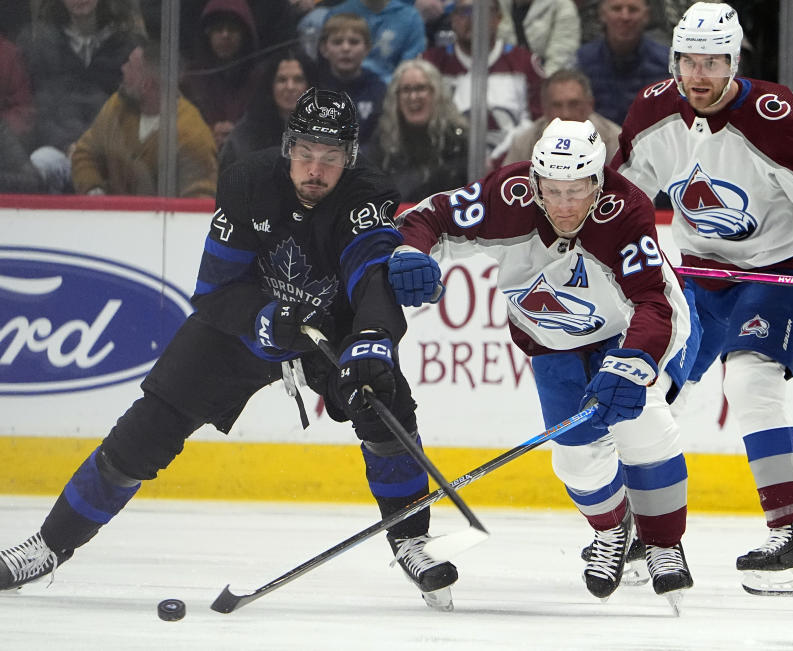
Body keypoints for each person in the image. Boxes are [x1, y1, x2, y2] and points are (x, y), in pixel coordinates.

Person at [0, 88, 460, 612]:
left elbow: (369, 276)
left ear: (349, 157)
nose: (316, 169)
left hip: (330, 327)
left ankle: (410, 540)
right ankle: (50, 544)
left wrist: (373, 341)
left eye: (331, 158)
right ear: (288, 147)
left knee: (382, 399)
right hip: (244, 325)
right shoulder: (246, 181)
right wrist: (264, 321)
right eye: (306, 153)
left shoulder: (368, 193)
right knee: (148, 426)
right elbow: (215, 289)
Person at [613, 2, 793, 597]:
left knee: (751, 387)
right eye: (689, 61)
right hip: (699, 273)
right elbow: (621, 200)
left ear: (734, 62)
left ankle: (792, 535)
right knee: (655, 390)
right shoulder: (654, 110)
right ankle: (646, 528)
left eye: (713, 62)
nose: (699, 75)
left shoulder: (771, 115)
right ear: (674, 59)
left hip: (776, 268)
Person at [387, 118, 698, 609]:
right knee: (575, 458)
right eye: (551, 191)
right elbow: (431, 217)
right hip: (549, 341)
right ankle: (613, 531)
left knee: (646, 429)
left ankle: (663, 545)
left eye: (577, 191)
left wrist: (632, 363)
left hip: (625, 333)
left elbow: (653, 305)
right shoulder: (506, 194)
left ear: (599, 182)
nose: (564, 206)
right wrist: (411, 251)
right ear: (533, 182)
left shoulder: (626, 208)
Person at [70, 41, 218, 197]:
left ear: (146, 85)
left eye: (130, 66)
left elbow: (198, 202)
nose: (123, 68)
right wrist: (93, 190)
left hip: (161, 221)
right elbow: (85, 153)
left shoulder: (192, 136)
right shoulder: (117, 106)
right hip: (110, 218)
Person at [16, 0, 141, 177]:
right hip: (60, 149)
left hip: (110, 153)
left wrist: (99, 148)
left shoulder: (127, 45)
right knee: (40, 161)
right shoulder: (40, 43)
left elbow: (132, 110)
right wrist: (67, 145)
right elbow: (40, 109)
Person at [422, 0, 543, 157]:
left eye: (484, 10)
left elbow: (539, 125)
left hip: (509, 168)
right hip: (446, 168)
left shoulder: (524, 63)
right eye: (465, 11)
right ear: (452, 19)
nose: (474, 18)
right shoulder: (430, 64)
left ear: (498, 18)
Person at [367, 58, 468, 202]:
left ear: (437, 94)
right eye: (406, 90)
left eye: (420, 88)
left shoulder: (459, 141)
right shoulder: (383, 140)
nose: (413, 97)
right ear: (396, 97)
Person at [219, 46, 318, 171]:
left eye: (298, 80)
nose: (290, 87)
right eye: (282, 80)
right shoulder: (245, 135)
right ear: (270, 86)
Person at [179, 0, 261, 152]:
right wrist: (208, 132)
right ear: (207, 34)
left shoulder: (260, 79)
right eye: (218, 29)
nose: (225, 35)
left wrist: (239, 134)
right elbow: (179, 128)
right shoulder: (191, 79)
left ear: (245, 34)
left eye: (232, 29)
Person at [499, 68, 620, 167]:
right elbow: (506, 186)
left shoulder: (616, 140)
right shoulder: (524, 143)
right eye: (556, 105)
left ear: (590, 105)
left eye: (574, 104)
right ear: (544, 109)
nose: (565, 114)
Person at [576, 0, 669, 125]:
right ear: (602, 14)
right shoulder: (581, 61)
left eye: (633, 10)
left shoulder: (666, 63)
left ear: (646, 15)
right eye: (616, 9)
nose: (625, 17)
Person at [301, 0, 426, 85]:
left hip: (392, 96)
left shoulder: (410, 18)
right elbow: (326, 69)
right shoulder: (338, 14)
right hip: (344, 90)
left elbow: (409, 70)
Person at [315, 12, 386, 149]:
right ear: (324, 49)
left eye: (354, 42)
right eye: (337, 42)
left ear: (367, 48)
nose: (346, 48)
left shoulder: (378, 89)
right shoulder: (314, 88)